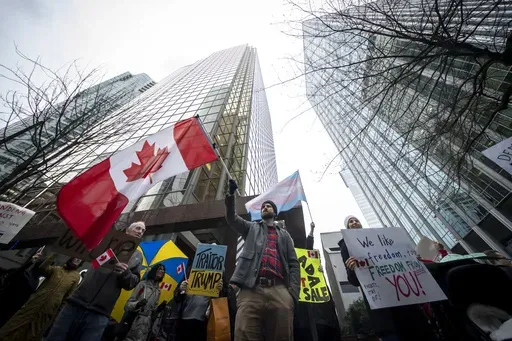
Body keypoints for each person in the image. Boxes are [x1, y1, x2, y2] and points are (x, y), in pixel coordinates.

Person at [225, 179, 300, 341]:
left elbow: (294, 264)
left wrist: (293, 294)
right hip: (251, 290)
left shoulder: (285, 235)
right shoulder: (251, 228)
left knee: (282, 336)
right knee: (243, 333)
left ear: (275, 212)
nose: (265, 207)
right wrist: (230, 195)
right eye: (263, 206)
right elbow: (232, 218)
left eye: (269, 206)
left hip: (280, 290)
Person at [339, 216, 435, 341]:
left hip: (404, 300)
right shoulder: (346, 247)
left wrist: (419, 255)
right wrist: (352, 269)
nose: (354, 222)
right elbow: (354, 281)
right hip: (383, 308)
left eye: (356, 220)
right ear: (347, 227)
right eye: (350, 222)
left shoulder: (380, 239)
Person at [46, 221, 146, 341]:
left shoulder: (137, 256)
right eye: (138, 228)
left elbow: (132, 283)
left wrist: (125, 273)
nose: (140, 231)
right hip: (76, 302)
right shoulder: (106, 242)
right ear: (127, 230)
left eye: (143, 230)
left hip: (100, 312)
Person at [0, 254, 81, 341]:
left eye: (80, 259)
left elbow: (67, 296)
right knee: (18, 322)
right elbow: (43, 268)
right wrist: (54, 254)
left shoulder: (76, 277)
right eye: (76, 257)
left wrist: (58, 314)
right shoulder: (57, 269)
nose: (77, 259)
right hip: (36, 301)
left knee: (34, 332)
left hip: (48, 310)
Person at [173, 270, 224, 341]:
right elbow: (177, 298)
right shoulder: (189, 273)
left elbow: (218, 303)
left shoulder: (215, 276)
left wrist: (220, 292)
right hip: (184, 320)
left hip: (202, 323)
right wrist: (180, 289)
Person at [120, 264, 165, 341]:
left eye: (163, 270)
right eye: (160, 269)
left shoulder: (158, 291)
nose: (162, 271)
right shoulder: (142, 284)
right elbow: (127, 305)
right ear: (154, 270)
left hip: (146, 327)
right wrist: (137, 304)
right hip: (134, 323)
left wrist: (158, 310)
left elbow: (153, 312)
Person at [0, 250, 44, 328]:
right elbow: (13, 276)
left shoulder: (37, 282)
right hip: (5, 302)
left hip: (12, 310)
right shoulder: (25, 274)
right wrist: (30, 262)